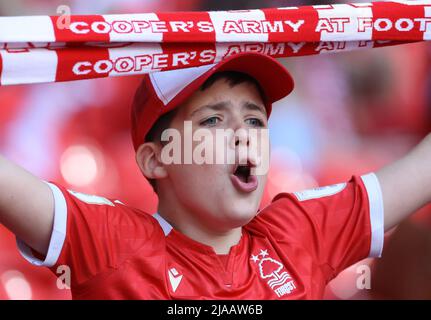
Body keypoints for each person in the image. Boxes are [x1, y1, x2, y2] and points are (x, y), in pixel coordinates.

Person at [0, 52, 430, 299]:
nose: (243, 135)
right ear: (155, 159)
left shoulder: (300, 234)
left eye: (256, 120)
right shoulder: (111, 241)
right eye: (212, 122)